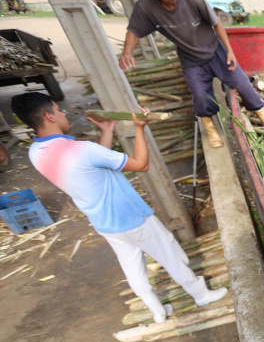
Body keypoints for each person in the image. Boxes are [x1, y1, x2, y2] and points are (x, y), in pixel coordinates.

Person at [11, 92, 227, 323]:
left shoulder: (36, 153)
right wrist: (140, 128)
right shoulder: (82, 150)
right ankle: (201, 295)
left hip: (105, 224)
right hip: (132, 217)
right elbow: (140, 164)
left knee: (133, 266)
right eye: (59, 110)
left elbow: (97, 166)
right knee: (171, 254)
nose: (63, 113)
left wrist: (107, 131)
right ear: (49, 116)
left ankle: (157, 311)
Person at [118, 0, 264, 148]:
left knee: (243, 84)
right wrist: (127, 52)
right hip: (191, 59)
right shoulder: (146, 7)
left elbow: (216, 23)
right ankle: (211, 130)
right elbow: (134, 30)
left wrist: (229, 50)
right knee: (200, 96)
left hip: (215, 51)